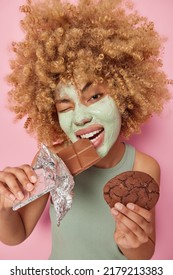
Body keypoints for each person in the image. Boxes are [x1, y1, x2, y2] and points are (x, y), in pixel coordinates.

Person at [0, 0, 171, 260]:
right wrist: (3, 208)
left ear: (124, 96)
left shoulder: (144, 167)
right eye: (65, 106)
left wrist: (134, 242)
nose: (80, 117)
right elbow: (16, 234)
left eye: (94, 97)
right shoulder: (51, 163)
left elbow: (144, 254)